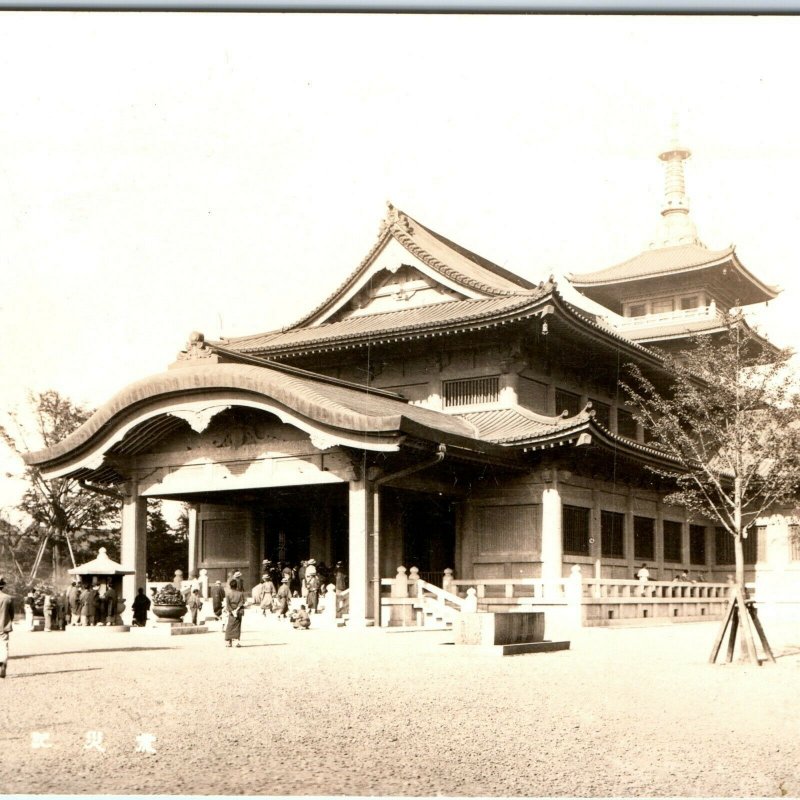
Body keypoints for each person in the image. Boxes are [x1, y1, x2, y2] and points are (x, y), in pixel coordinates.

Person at [0, 576, 15, 678]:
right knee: (4, 645)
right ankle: (2, 662)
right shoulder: (8, 598)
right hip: (4, 625)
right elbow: (12, 614)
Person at [224, 579, 245, 647]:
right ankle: (236, 642)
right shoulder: (240, 593)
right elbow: (242, 602)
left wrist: (232, 611)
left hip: (231, 612)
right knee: (237, 626)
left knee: (230, 626)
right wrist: (237, 610)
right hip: (238, 612)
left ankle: (228, 642)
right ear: (236, 586)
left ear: (230, 586)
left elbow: (228, 604)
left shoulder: (228, 594)